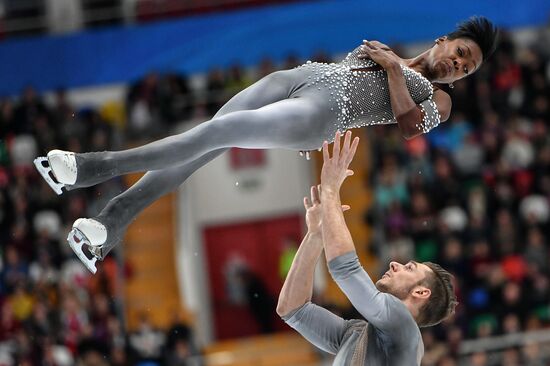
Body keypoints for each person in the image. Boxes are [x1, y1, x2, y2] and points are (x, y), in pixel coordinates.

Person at [34, 17, 498, 273]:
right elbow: (349, 74)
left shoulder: (438, 98)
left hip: (319, 115)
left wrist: (396, 71)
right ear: (443, 40)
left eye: (468, 67)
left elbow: (411, 127)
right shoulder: (390, 52)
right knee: (203, 144)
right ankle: (110, 226)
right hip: (299, 79)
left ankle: (93, 166)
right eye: (460, 52)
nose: (460, 64)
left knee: (213, 135)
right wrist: (390, 63)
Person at [277, 131, 458, 365]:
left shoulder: (403, 326)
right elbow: (293, 310)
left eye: (409, 268)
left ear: (421, 293)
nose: (395, 263)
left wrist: (331, 189)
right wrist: (314, 236)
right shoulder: (357, 333)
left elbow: (346, 270)